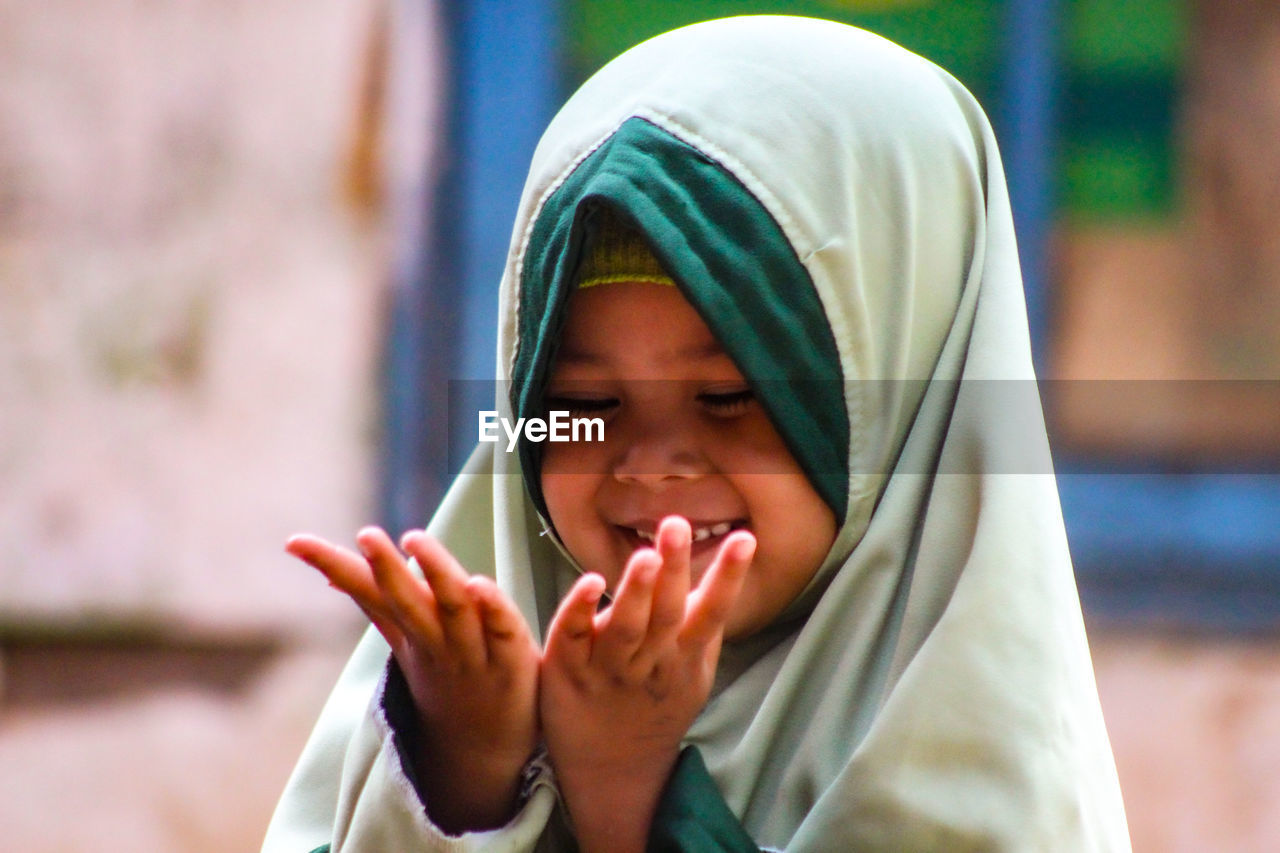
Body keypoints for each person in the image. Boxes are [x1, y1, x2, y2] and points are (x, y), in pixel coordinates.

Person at [262, 15, 1131, 852]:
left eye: (727, 394)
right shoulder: (448, 698)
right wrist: (462, 770)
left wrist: (621, 795)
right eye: (587, 404)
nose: (653, 465)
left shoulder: (985, 777)